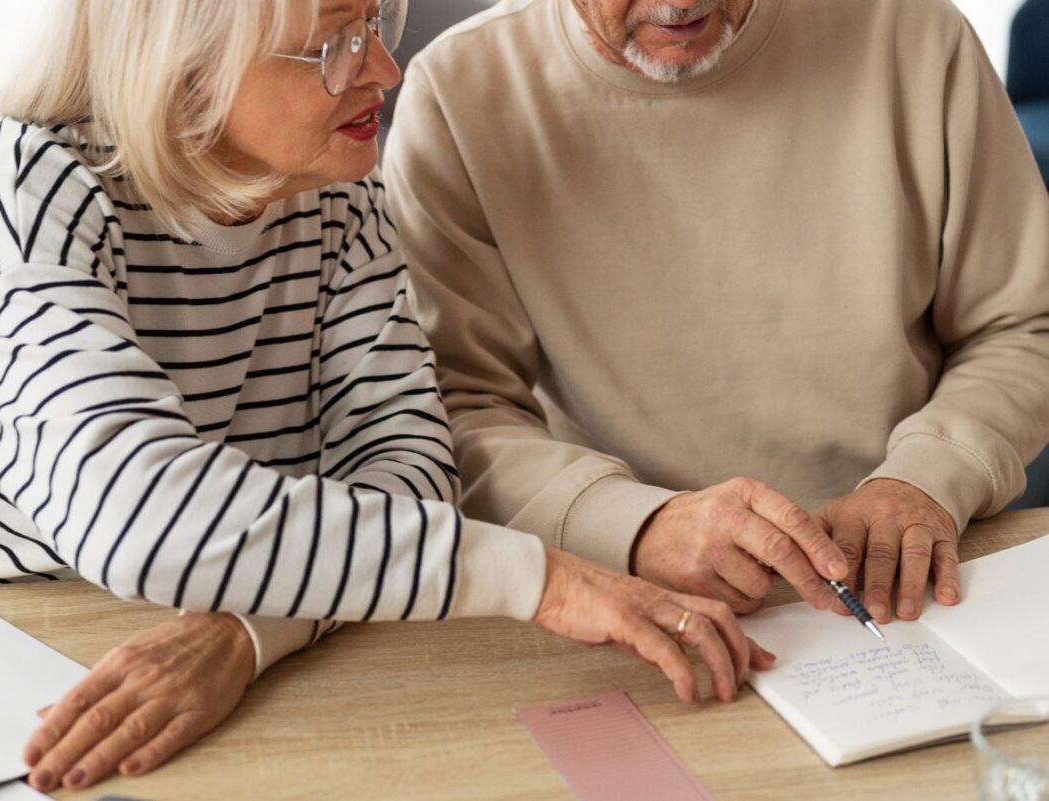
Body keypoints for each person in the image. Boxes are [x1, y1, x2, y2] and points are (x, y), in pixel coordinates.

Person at [0, 0, 783, 792]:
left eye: (374, 26)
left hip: (254, 618)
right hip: (30, 637)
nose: (383, 70)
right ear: (188, 66)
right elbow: (138, 517)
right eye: (333, 43)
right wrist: (546, 581)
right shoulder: (30, 185)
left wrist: (244, 631)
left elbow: (409, 473)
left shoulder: (335, 187)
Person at [384, 0, 1049, 626]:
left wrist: (928, 475)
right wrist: (636, 524)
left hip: (909, 561)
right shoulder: (458, 92)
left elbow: (1021, 326)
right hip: (615, 589)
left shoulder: (917, 34)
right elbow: (456, 410)